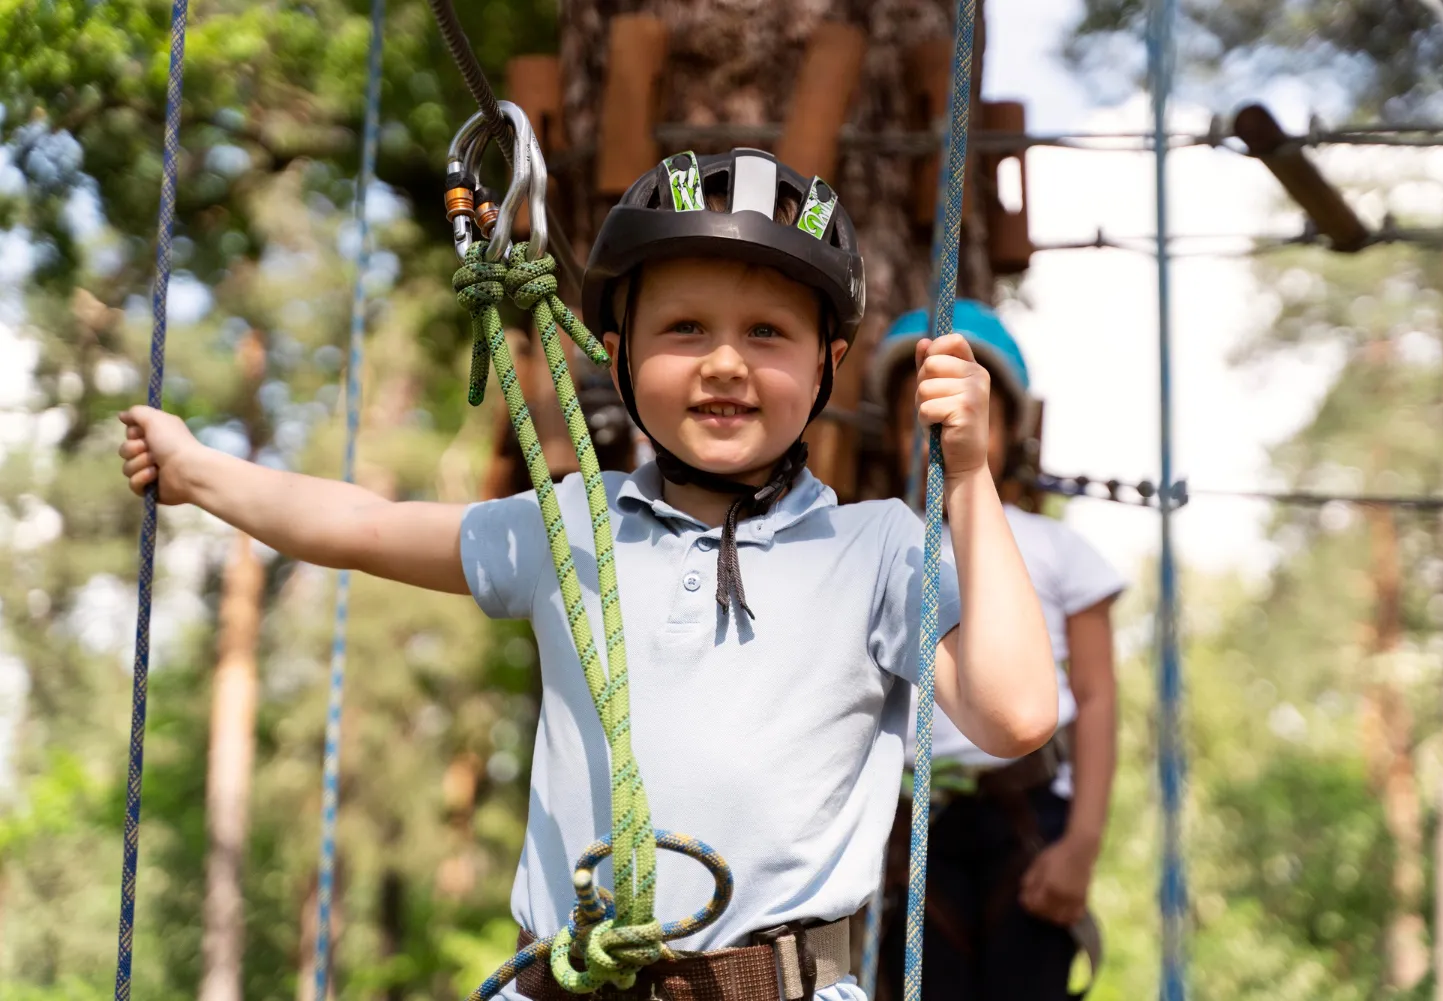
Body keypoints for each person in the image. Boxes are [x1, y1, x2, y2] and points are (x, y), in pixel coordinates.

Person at [118, 150, 1058, 1001]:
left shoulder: (878, 551)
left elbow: (1014, 712)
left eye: (768, 333)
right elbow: (367, 525)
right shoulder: (572, 526)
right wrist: (201, 473)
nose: (726, 361)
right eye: (685, 327)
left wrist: (967, 476)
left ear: (828, 364)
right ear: (617, 354)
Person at [867, 300, 1124, 1001]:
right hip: (911, 824)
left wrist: (1083, 844)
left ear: (1007, 428)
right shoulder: (879, 543)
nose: (935, 433)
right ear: (891, 432)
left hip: (1028, 818)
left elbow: (1098, 698)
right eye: (915, 418)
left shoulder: (1054, 547)